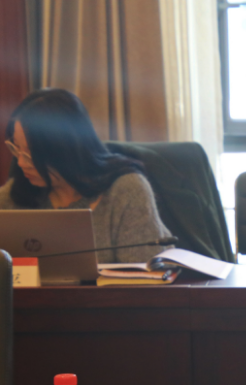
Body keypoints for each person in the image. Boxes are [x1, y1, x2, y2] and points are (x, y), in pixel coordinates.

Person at [0, 88, 171, 263]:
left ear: (64, 149)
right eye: (16, 148)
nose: (20, 162)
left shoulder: (126, 190)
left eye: (31, 153)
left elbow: (145, 274)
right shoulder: (13, 196)